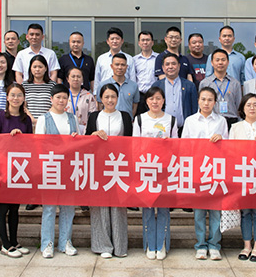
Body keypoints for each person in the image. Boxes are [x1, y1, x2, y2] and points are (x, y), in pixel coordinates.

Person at [85, 83, 132, 259]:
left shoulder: (125, 116)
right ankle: (102, 245)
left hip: (119, 165)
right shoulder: (94, 116)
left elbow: (130, 141)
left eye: (113, 96)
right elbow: (86, 140)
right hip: (98, 165)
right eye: (106, 97)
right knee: (100, 205)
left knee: (119, 205)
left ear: (118, 98)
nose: (110, 100)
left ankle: (120, 246)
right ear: (100, 99)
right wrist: (94, 135)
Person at [132, 86, 178, 260]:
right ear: (146, 101)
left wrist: (169, 143)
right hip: (146, 169)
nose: (155, 102)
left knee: (164, 208)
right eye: (151, 98)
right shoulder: (140, 119)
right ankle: (150, 244)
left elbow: (177, 147)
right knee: (148, 208)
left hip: (165, 169)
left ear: (163, 100)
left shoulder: (171, 120)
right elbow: (135, 146)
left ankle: (162, 244)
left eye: (158, 98)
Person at [182, 87, 227, 261]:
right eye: (203, 99)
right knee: (199, 212)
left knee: (216, 211)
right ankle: (200, 245)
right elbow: (184, 146)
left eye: (210, 100)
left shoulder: (221, 121)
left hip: (216, 170)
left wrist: (221, 140)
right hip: (197, 170)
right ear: (198, 101)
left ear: (215, 102)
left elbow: (229, 146)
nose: (206, 103)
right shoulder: (190, 121)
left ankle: (214, 245)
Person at [35, 84, 80, 258]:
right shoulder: (43, 119)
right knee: (49, 208)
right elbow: (38, 145)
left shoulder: (72, 118)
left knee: (68, 207)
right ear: (51, 99)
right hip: (50, 167)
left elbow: (78, 142)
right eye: (58, 97)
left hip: (69, 168)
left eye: (64, 98)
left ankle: (65, 242)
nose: (61, 101)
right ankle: (47, 243)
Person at [229, 93, 256, 263]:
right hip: (242, 175)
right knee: (245, 211)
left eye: (255, 105)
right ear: (242, 108)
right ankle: (246, 245)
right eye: (248, 105)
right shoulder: (235, 128)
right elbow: (230, 152)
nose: (252, 108)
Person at [0, 83, 32, 258]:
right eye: (13, 95)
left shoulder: (26, 119)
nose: (16, 98)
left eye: (19, 95)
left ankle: (14, 241)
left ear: (23, 98)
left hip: (19, 169)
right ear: (7, 97)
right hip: (3, 168)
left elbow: (30, 143)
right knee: (3, 208)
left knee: (15, 208)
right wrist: (9, 138)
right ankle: (5, 244)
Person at [151, 53, 198, 135]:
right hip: (162, 129)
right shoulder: (157, 86)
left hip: (185, 130)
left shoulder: (189, 85)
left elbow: (194, 109)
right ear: (163, 68)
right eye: (167, 64)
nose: (170, 67)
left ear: (179, 66)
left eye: (173, 64)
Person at [199, 49, 242, 128]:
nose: (220, 62)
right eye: (217, 60)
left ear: (228, 62)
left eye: (223, 60)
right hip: (212, 122)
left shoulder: (235, 83)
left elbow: (239, 106)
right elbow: (200, 106)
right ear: (212, 63)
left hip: (232, 122)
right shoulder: (205, 83)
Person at [94, 27, 136, 94]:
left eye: (117, 39)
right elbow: (97, 79)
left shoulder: (129, 59)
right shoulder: (101, 59)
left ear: (122, 41)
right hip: (106, 94)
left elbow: (132, 79)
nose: (115, 41)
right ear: (107, 41)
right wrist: (96, 94)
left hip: (124, 94)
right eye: (112, 39)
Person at [22, 55, 56, 126]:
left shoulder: (52, 85)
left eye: (40, 67)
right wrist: (32, 119)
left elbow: (55, 105)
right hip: (29, 123)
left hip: (48, 122)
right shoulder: (25, 85)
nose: (37, 69)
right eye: (34, 67)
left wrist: (43, 120)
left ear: (45, 68)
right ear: (30, 68)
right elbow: (23, 106)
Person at [65, 67, 97, 134]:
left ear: (82, 79)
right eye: (73, 76)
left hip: (84, 132)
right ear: (67, 79)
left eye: (78, 77)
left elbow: (92, 116)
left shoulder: (89, 96)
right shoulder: (63, 96)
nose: (76, 79)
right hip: (66, 131)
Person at [134, 31, 159, 114]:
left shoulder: (159, 58)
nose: (145, 42)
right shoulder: (134, 60)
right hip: (139, 96)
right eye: (143, 40)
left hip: (155, 95)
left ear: (152, 42)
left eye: (148, 40)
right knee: (139, 119)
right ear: (139, 43)